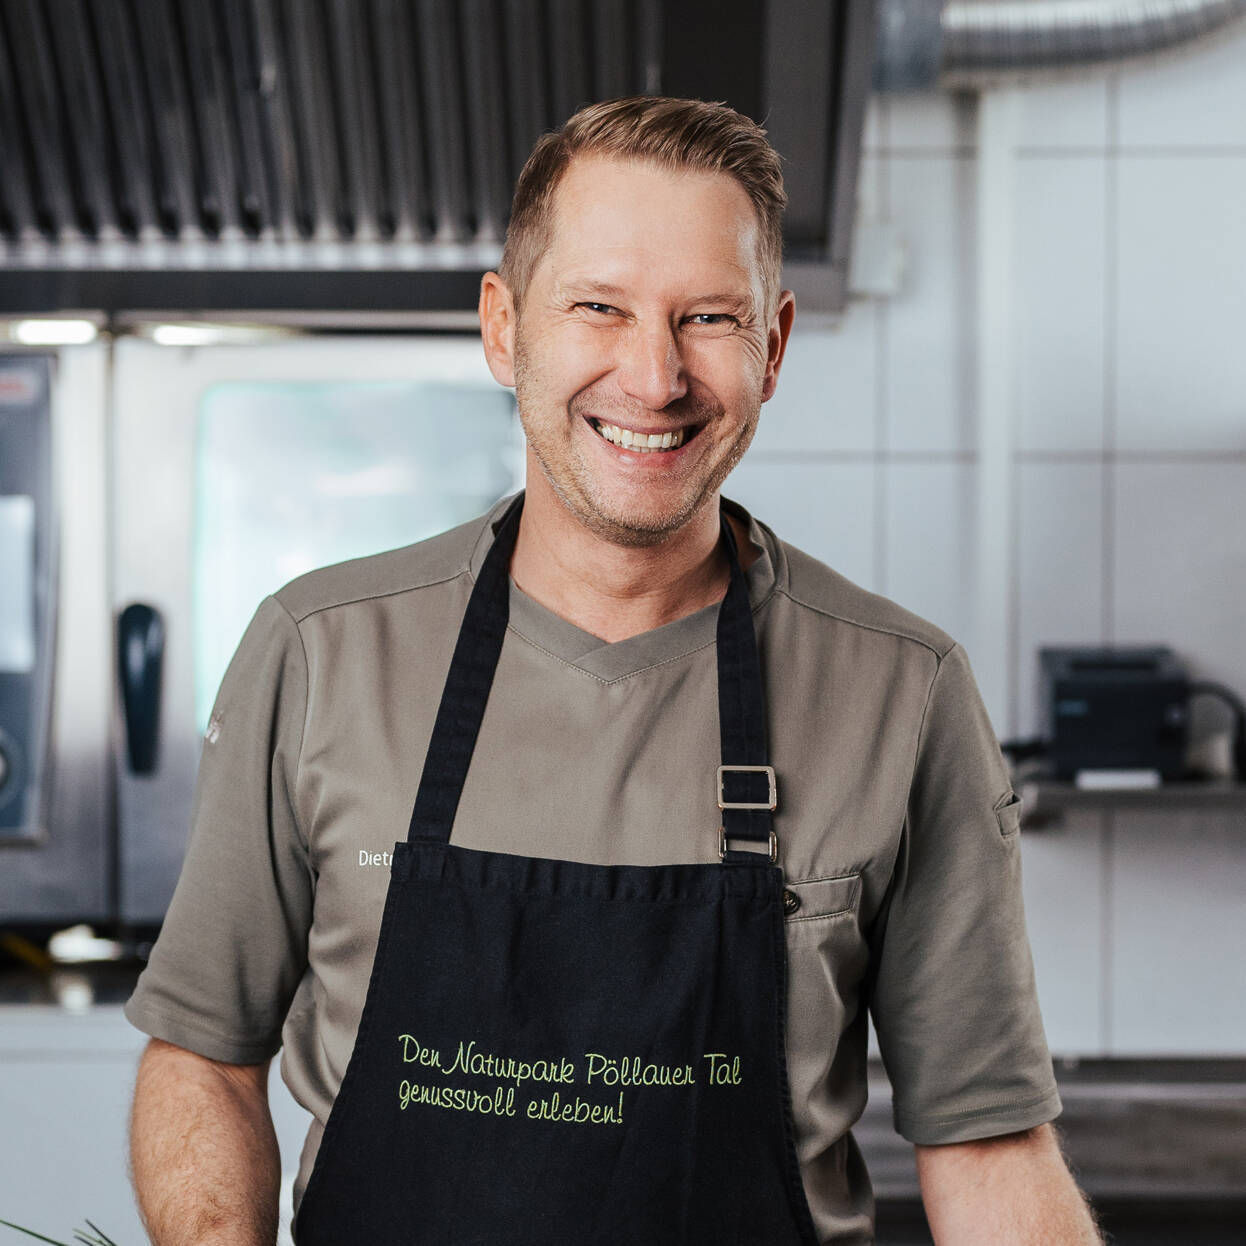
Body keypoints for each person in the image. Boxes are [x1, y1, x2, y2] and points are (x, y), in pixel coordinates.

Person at [126, 97, 1102, 1245]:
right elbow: (204, 1054)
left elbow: (985, 1145)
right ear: (505, 326)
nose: (653, 378)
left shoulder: (900, 692)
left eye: (707, 318)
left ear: (773, 345)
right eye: (599, 306)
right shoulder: (321, 649)